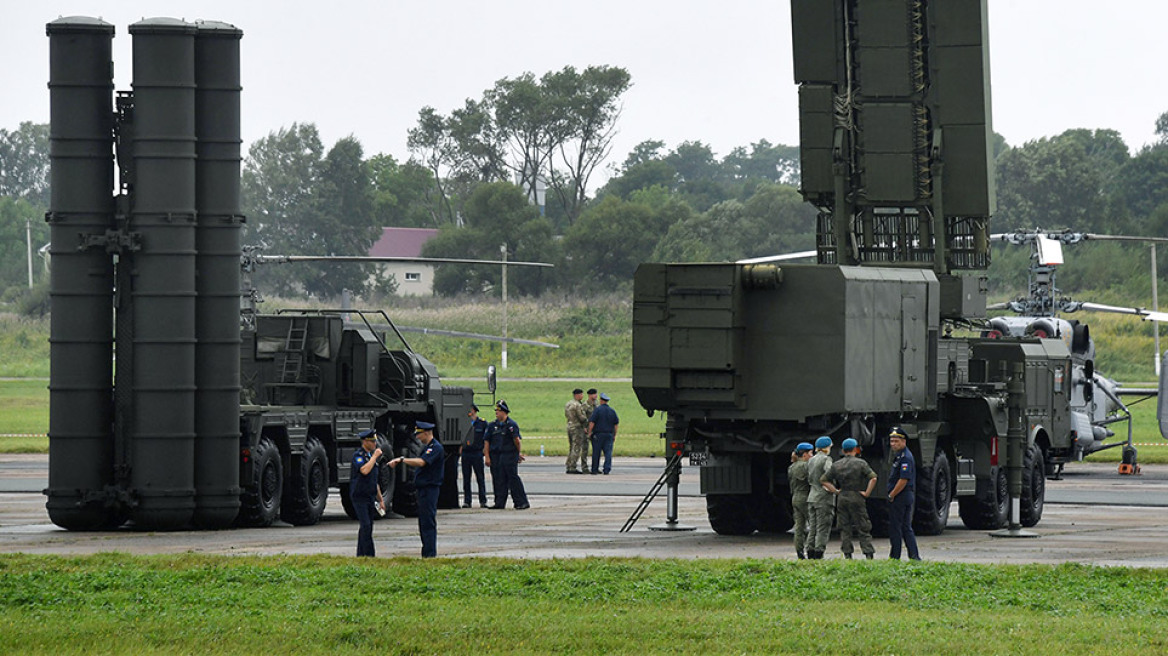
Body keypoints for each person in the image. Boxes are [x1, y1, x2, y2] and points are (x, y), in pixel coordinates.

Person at [389, 420, 445, 558]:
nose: (417, 437)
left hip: (429, 489)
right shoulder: (426, 447)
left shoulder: (435, 447)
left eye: (419, 434)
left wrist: (402, 460)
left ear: (426, 433)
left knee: (428, 522)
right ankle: (427, 551)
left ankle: (430, 553)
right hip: (423, 489)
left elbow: (422, 462)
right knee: (423, 522)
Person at [822, 438, 877, 560]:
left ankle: (847, 553)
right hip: (856, 496)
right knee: (863, 525)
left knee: (844, 527)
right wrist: (867, 493)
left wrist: (836, 491)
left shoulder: (836, 465)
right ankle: (868, 552)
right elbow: (873, 478)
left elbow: (823, 480)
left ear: (843, 450)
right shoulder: (861, 463)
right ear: (855, 449)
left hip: (842, 497)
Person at [485, 400, 529, 509]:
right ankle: (499, 502)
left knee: (512, 479)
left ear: (504, 412)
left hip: (509, 455)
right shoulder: (492, 426)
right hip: (496, 455)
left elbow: (517, 441)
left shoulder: (511, 425)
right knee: (498, 479)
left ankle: (521, 502)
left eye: (498, 411)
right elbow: (486, 441)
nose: (496, 413)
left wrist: (517, 454)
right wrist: (487, 456)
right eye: (496, 411)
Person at [350, 428, 385, 558]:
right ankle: (369, 554)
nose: (375, 444)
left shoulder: (370, 458)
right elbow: (364, 471)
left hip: (370, 496)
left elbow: (374, 481)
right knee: (365, 525)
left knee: (368, 526)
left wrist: (380, 499)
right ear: (365, 442)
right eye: (372, 441)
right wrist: (375, 456)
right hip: (359, 496)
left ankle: (362, 554)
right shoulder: (358, 456)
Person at [887, 426, 921, 560]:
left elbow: (903, 479)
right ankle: (914, 556)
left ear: (904, 441)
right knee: (906, 527)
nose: (893, 444)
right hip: (903, 495)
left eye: (896, 441)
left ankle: (895, 557)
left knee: (896, 528)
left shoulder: (905, 457)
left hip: (901, 496)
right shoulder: (900, 455)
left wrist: (892, 494)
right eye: (892, 441)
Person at [804, 435, 835, 560]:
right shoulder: (827, 459)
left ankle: (810, 550)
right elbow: (829, 472)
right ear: (827, 448)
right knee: (823, 527)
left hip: (812, 496)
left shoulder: (811, 460)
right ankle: (819, 552)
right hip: (823, 497)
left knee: (813, 527)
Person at [787, 442, 814, 559]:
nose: (812, 456)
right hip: (805, 497)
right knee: (813, 524)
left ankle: (799, 552)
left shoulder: (791, 467)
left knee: (799, 526)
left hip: (795, 497)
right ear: (804, 454)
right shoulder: (806, 466)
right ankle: (811, 549)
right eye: (810, 453)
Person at [462, 404, 489, 508]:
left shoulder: (482, 423)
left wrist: (484, 452)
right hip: (466, 453)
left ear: (473, 411)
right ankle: (467, 501)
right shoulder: (464, 423)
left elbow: (486, 439)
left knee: (480, 478)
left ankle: (483, 500)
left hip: (477, 453)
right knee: (466, 479)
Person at [587, 392, 619, 475]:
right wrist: (614, 435)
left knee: (596, 453)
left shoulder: (597, 410)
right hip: (609, 434)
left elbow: (592, 422)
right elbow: (616, 424)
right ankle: (607, 469)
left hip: (598, 435)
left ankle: (594, 469)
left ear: (601, 400)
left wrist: (589, 432)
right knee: (608, 453)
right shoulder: (612, 411)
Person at [564, 388, 590, 474]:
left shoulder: (568, 404)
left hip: (569, 426)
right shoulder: (578, 405)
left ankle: (568, 464)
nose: (582, 396)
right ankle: (572, 466)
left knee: (571, 446)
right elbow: (581, 417)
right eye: (581, 394)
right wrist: (587, 422)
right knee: (576, 447)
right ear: (577, 395)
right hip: (577, 427)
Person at [584, 388, 598, 466]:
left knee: (596, 449)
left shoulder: (596, 404)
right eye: (594, 394)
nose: (595, 395)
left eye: (596, 394)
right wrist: (585, 427)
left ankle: (595, 466)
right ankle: (584, 466)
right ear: (589, 395)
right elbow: (582, 417)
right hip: (587, 429)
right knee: (585, 449)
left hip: (595, 429)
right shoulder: (585, 405)